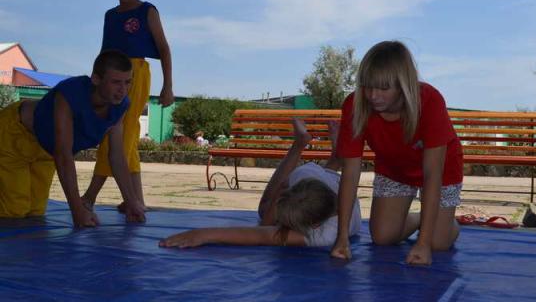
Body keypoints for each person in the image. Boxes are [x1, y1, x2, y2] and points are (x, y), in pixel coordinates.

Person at [330, 41, 463, 266]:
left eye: (383, 88)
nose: (373, 95)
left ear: (404, 85)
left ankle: (444, 223)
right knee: (382, 237)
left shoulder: (429, 101)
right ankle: (422, 219)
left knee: (438, 243)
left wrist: (423, 243)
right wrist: (342, 236)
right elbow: (350, 174)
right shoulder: (355, 105)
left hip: (441, 169)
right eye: (367, 86)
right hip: (394, 168)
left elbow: (432, 175)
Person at [159, 119, 361, 248]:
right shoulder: (305, 177)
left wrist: (204, 234)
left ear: (313, 225)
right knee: (272, 212)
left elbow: (259, 235)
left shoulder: (324, 235)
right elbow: (283, 187)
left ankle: (304, 145)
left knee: (264, 213)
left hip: (331, 182)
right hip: (332, 187)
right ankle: (333, 155)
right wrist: (201, 234)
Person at [0, 50, 146, 226]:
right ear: (96, 79)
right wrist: (78, 211)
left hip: (45, 150)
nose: (123, 90)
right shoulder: (71, 94)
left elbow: (116, 157)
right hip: (15, 134)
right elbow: (63, 154)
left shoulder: (120, 106)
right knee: (15, 209)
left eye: (127, 82)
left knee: (35, 210)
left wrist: (131, 201)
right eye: (116, 82)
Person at [82, 0, 174, 212]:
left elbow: (164, 47)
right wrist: (95, 79)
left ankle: (90, 195)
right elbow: (104, 50)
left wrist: (168, 85)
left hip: (135, 73)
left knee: (119, 131)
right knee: (122, 133)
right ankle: (137, 199)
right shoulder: (110, 15)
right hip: (109, 73)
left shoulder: (147, 11)